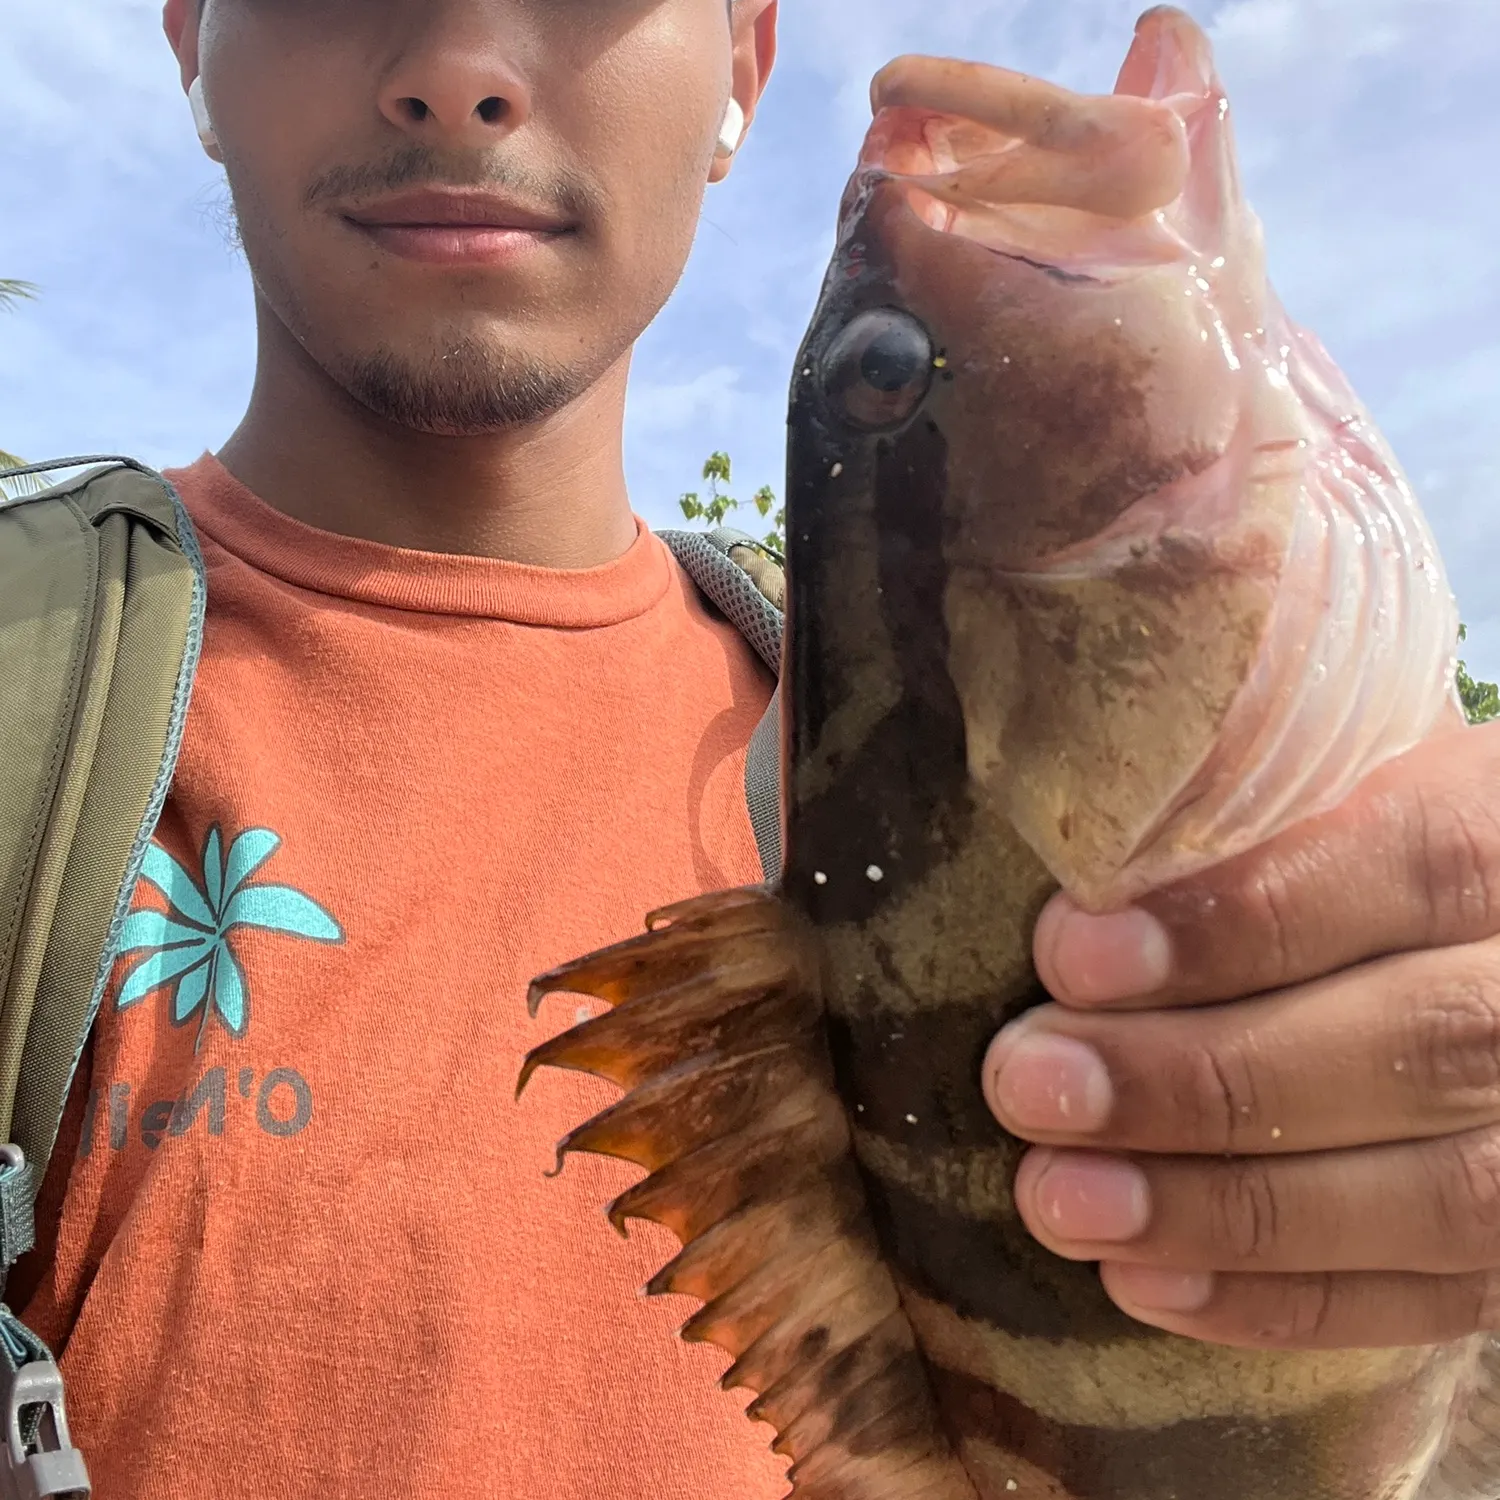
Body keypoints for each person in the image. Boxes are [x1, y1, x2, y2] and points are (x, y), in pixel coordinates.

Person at [8, 0, 1500, 1495]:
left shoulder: (851, 718)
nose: (456, 71)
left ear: (739, 65)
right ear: (194, 43)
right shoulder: (38, 718)